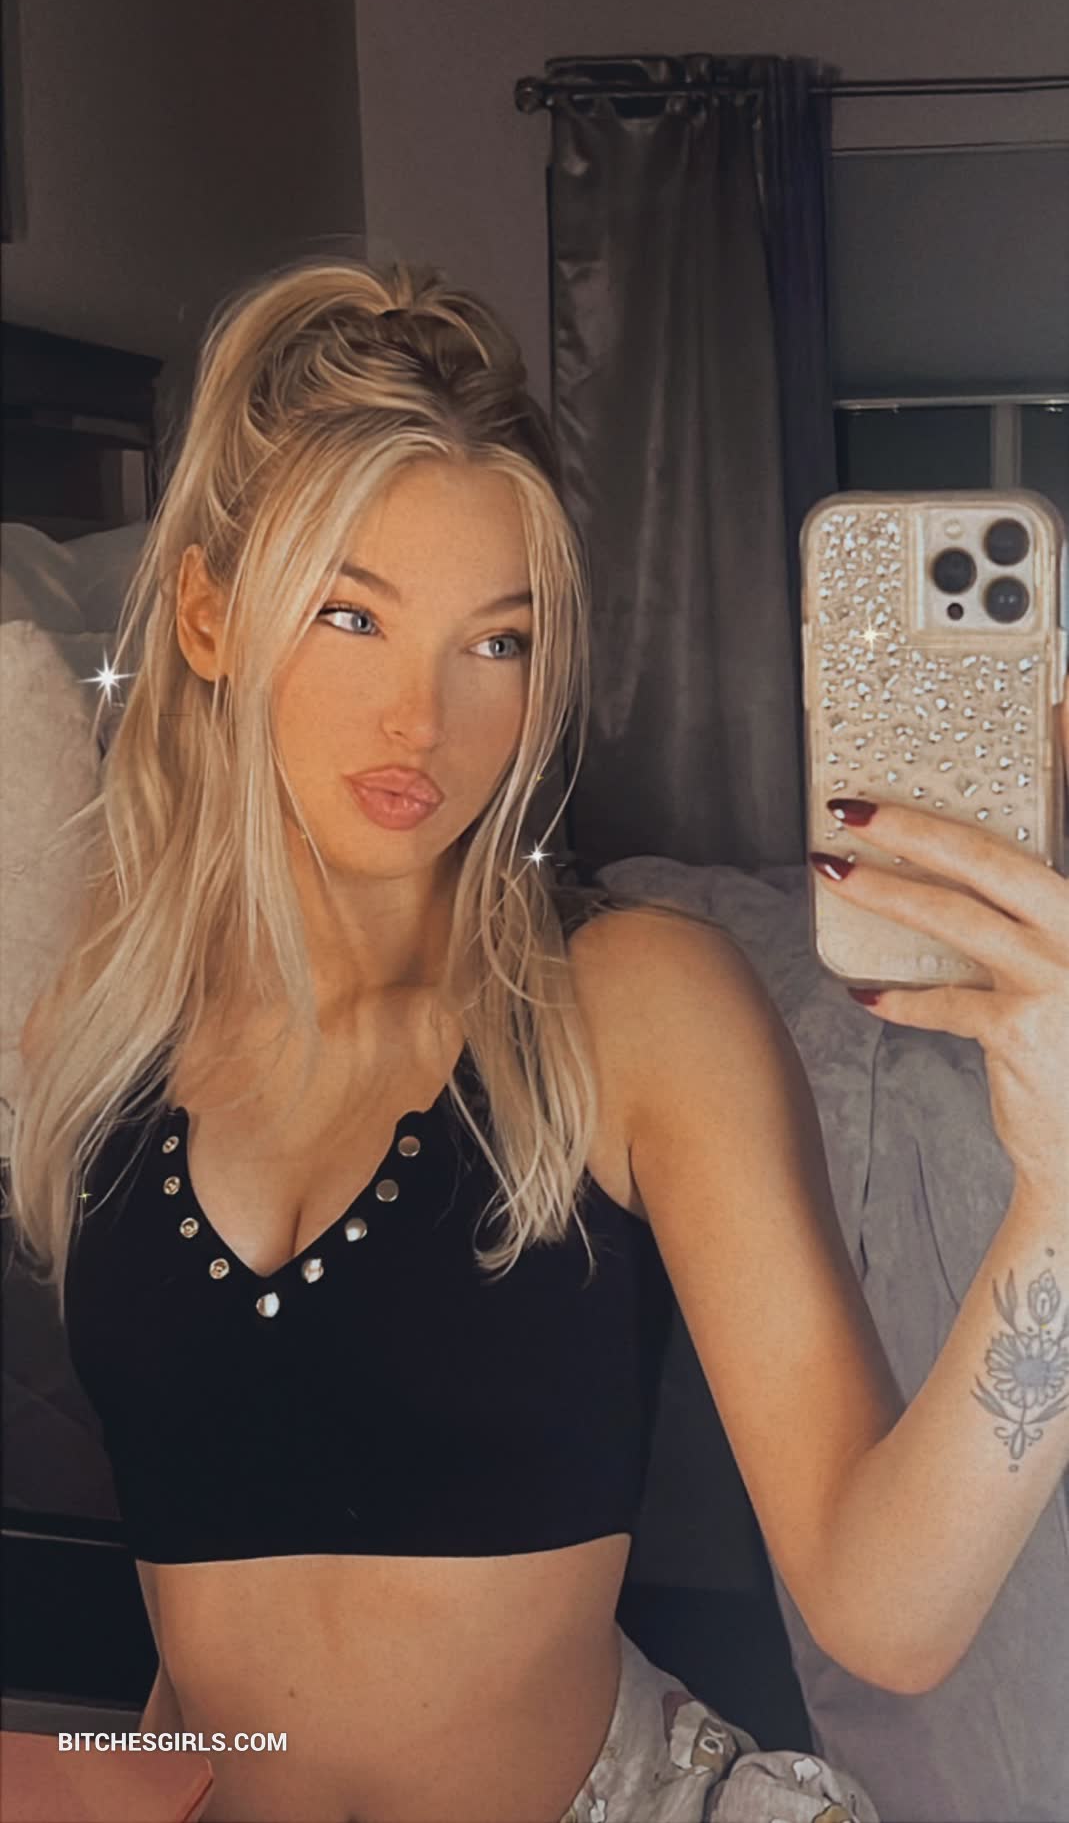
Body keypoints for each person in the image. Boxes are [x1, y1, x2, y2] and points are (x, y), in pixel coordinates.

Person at [8, 258, 1068, 1823]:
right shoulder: (101, 1038)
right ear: (210, 615)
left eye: (494, 642)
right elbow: (209, 1662)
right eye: (351, 615)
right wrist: (75, 1774)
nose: (421, 721)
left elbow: (885, 1614)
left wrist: (1058, 1199)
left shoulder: (630, 1005)